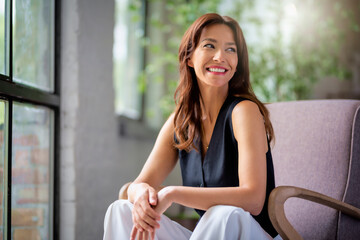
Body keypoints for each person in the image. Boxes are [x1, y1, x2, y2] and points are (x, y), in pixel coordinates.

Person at [103, 13, 281, 240]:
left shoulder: (243, 111)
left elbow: (254, 200)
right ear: (189, 57)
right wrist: (140, 194)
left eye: (230, 49)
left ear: (237, 63)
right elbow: (139, 184)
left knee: (222, 215)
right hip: (210, 235)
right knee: (121, 210)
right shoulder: (181, 120)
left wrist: (173, 193)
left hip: (253, 234)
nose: (220, 57)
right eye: (210, 46)